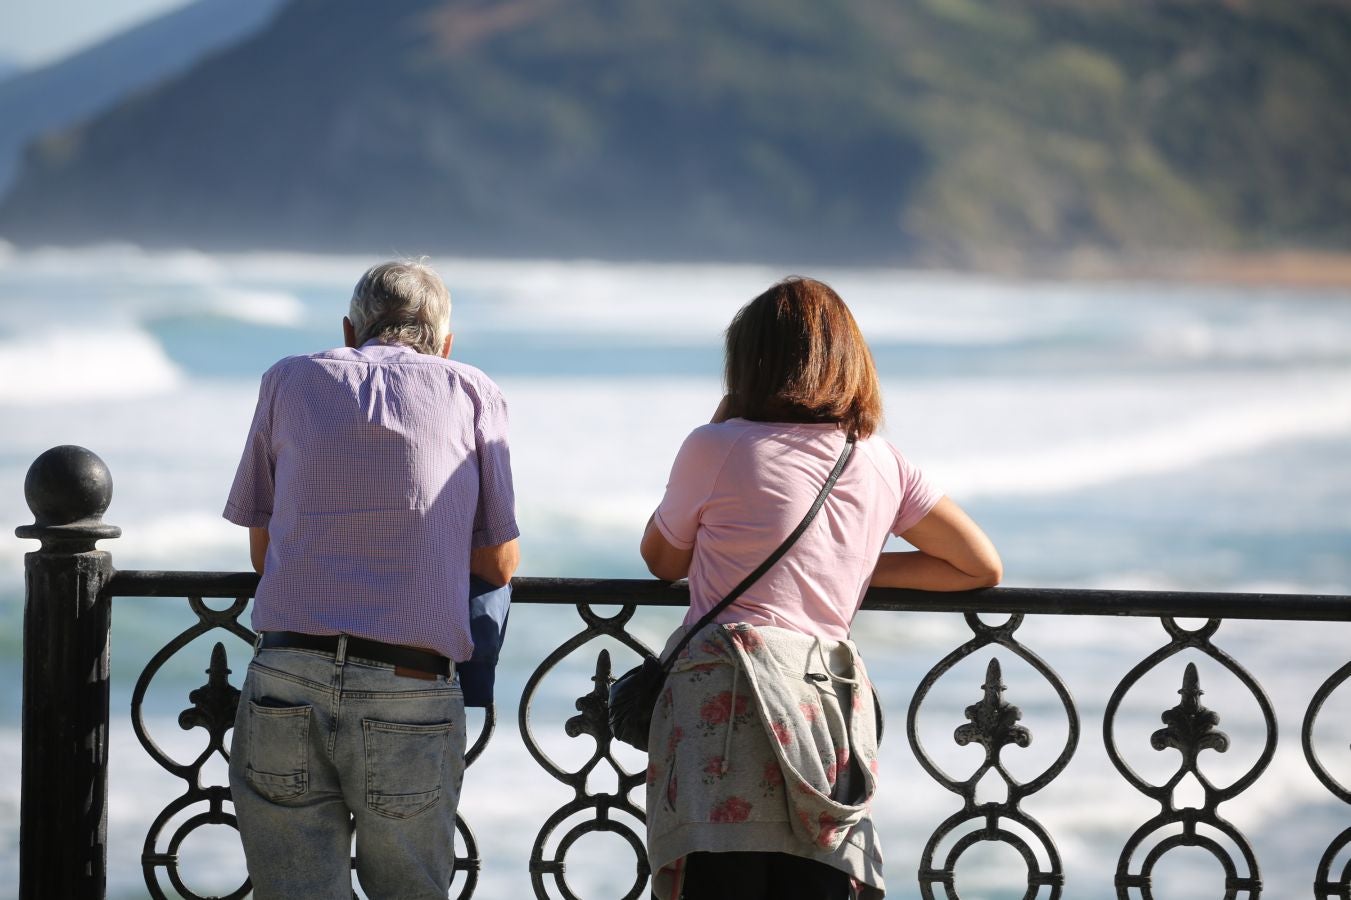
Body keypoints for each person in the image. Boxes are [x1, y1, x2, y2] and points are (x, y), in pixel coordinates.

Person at [639, 276, 1001, 900]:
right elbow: (977, 565)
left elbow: (661, 559)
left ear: (748, 363)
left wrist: (717, 428)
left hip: (726, 710)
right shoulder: (881, 460)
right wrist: (842, 563)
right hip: (823, 708)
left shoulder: (716, 446)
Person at [222, 259, 520, 899]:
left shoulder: (287, 379)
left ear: (349, 330)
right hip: (409, 684)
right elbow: (497, 563)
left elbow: (263, 552)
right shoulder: (472, 390)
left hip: (286, 672)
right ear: (445, 343)